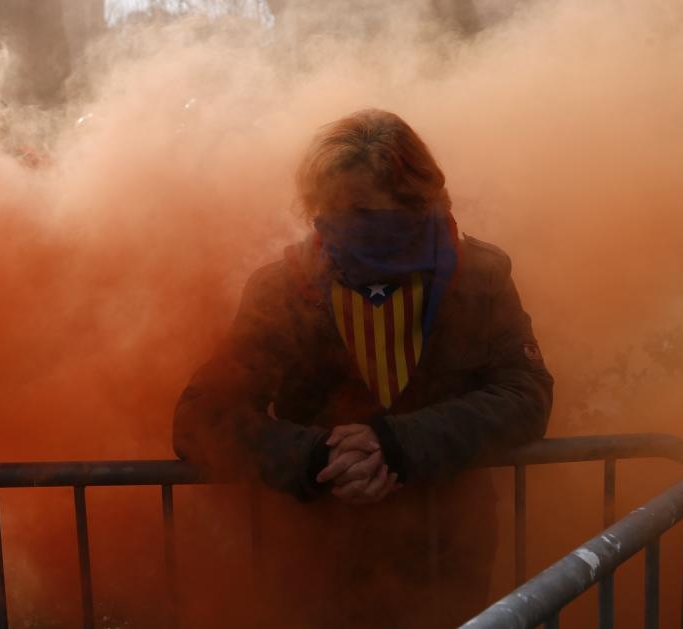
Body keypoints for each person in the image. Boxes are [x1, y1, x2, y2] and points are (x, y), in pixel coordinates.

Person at [173, 109, 553, 628]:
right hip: (317, 561)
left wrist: (398, 445)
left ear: (418, 200)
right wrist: (314, 458)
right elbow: (201, 416)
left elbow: (526, 393)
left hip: (448, 558)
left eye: (365, 209)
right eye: (329, 208)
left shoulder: (480, 276)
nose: (343, 223)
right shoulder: (283, 289)